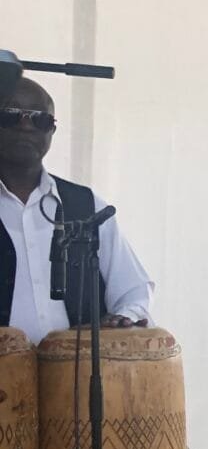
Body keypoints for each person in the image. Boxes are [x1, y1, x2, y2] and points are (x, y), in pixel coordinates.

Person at [0, 76, 152, 341]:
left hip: (76, 376)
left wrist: (122, 317)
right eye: (12, 115)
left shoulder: (86, 205)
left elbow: (134, 290)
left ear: (52, 131)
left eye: (40, 119)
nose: (26, 126)